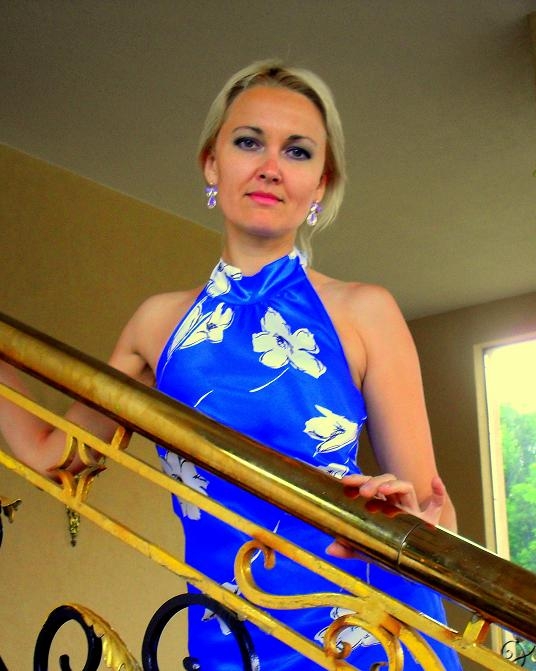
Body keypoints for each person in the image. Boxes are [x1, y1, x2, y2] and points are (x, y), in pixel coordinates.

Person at [0, 60, 461, 670]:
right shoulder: (157, 325)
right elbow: (53, 453)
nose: (271, 166)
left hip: (369, 635)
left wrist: (406, 516)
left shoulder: (365, 312)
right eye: (249, 142)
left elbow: (435, 516)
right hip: (228, 641)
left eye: (297, 151)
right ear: (212, 164)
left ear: (320, 184)